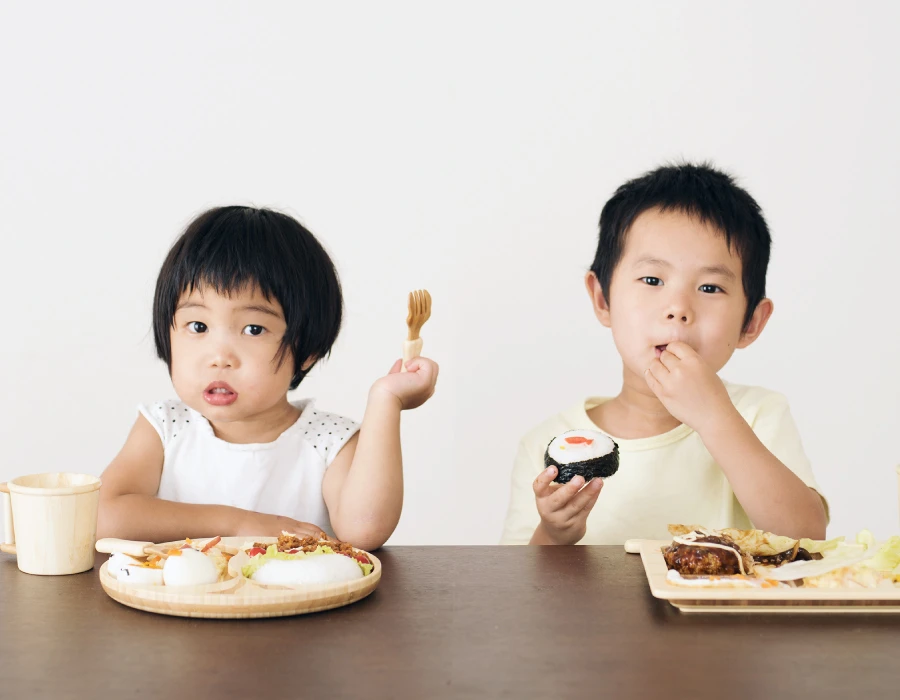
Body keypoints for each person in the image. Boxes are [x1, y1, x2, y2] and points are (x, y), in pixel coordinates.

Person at [501, 163, 827, 545]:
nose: (678, 308)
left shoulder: (758, 414)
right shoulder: (551, 443)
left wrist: (714, 416)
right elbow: (523, 585)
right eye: (652, 280)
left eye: (710, 288)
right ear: (603, 298)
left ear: (751, 322)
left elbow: (807, 536)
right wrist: (554, 533)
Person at [98, 206, 438, 551]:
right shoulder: (165, 427)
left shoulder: (328, 442)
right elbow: (101, 518)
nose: (219, 357)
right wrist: (237, 523)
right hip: (179, 606)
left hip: (296, 605)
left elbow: (364, 531)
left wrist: (387, 400)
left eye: (253, 328)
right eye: (198, 326)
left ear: (307, 350)